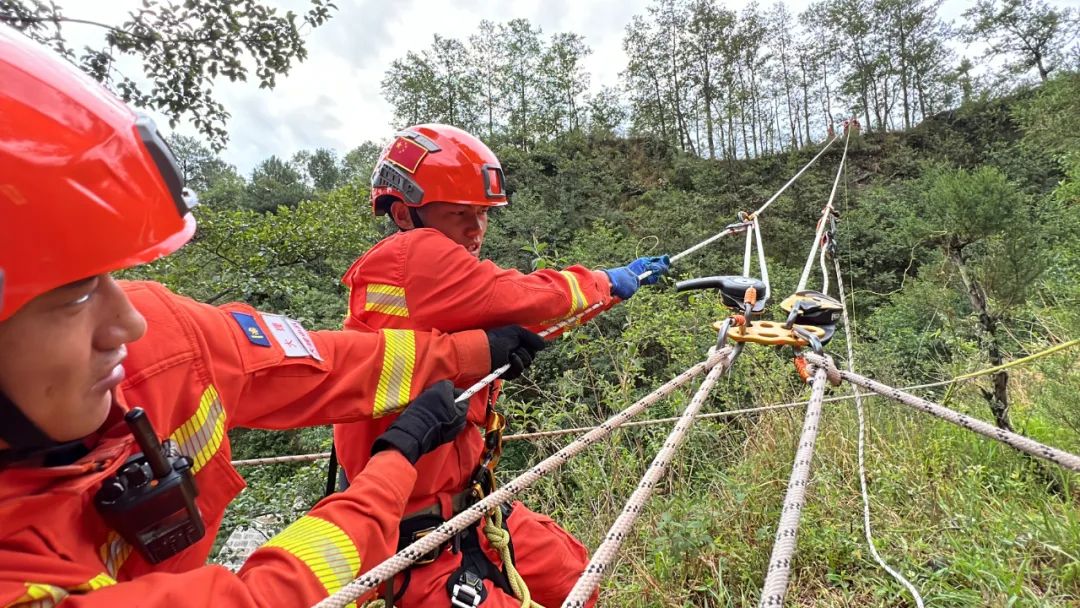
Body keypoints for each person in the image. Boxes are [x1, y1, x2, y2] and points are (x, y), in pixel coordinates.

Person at [0, 27, 545, 607]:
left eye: (113, 274)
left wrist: (476, 355)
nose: (126, 323)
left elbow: (327, 364)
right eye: (74, 296)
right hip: (411, 537)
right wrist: (393, 464)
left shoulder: (165, 343)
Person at [332, 124, 670, 607]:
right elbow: (524, 298)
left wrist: (612, 290)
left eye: (483, 215)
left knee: (576, 581)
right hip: (417, 538)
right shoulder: (412, 255)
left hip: (472, 506)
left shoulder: (436, 283)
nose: (476, 230)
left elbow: (532, 323)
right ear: (405, 214)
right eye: (459, 214)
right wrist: (608, 281)